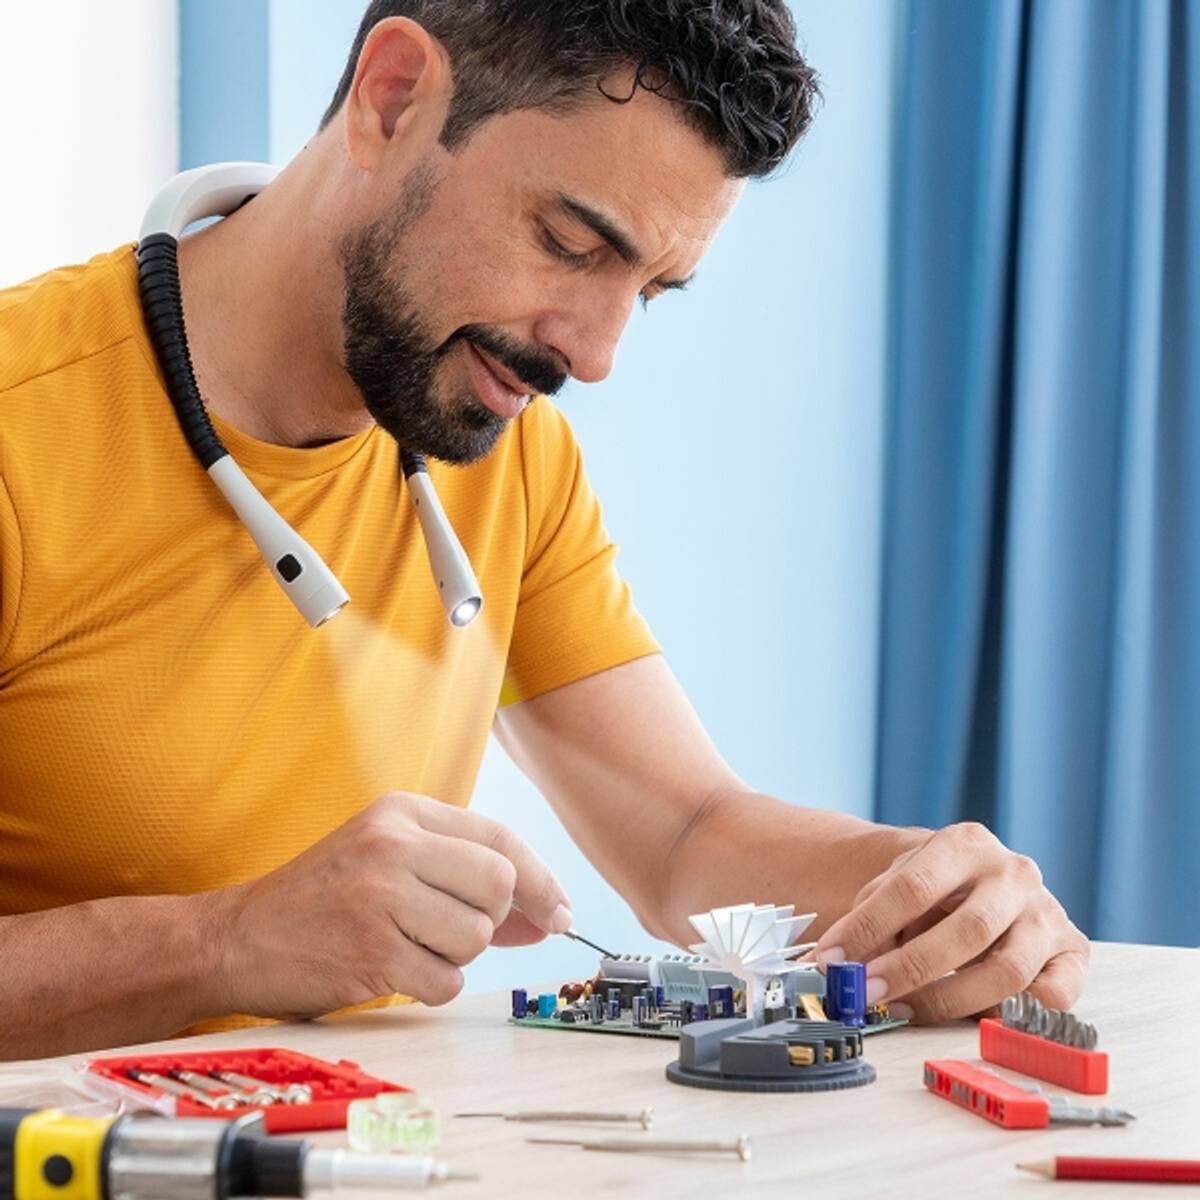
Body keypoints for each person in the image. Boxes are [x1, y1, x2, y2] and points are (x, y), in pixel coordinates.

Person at [0, 0, 1088, 1060]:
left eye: (650, 291)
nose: (597, 353)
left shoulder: (499, 444)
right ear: (392, 99)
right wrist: (225, 943)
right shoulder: (22, 432)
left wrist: (928, 885)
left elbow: (686, 834)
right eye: (571, 243)